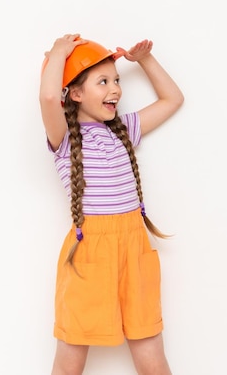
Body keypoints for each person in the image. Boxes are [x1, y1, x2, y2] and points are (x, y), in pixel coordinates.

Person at [39, 33, 184, 375]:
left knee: (151, 354)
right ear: (75, 94)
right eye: (102, 81)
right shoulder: (65, 140)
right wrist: (60, 51)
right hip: (89, 254)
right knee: (71, 358)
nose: (115, 89)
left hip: (134, 247)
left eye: (116, 80)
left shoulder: (122, 130)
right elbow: (48, 95)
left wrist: (145, 61)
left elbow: (172, 99)